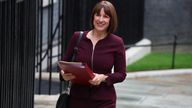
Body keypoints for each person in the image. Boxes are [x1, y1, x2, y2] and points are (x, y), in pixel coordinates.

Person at [60, 0, 126, 108]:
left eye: (105, 16)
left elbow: (121, 74)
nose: (100, 19)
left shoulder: (117, 42)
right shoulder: (77, 37)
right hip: (77, 99)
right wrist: (63, 75)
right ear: (93, 17)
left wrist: (103, 77)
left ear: (111, 20)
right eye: (98, 15)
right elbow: (64, 65)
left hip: (104, 101)